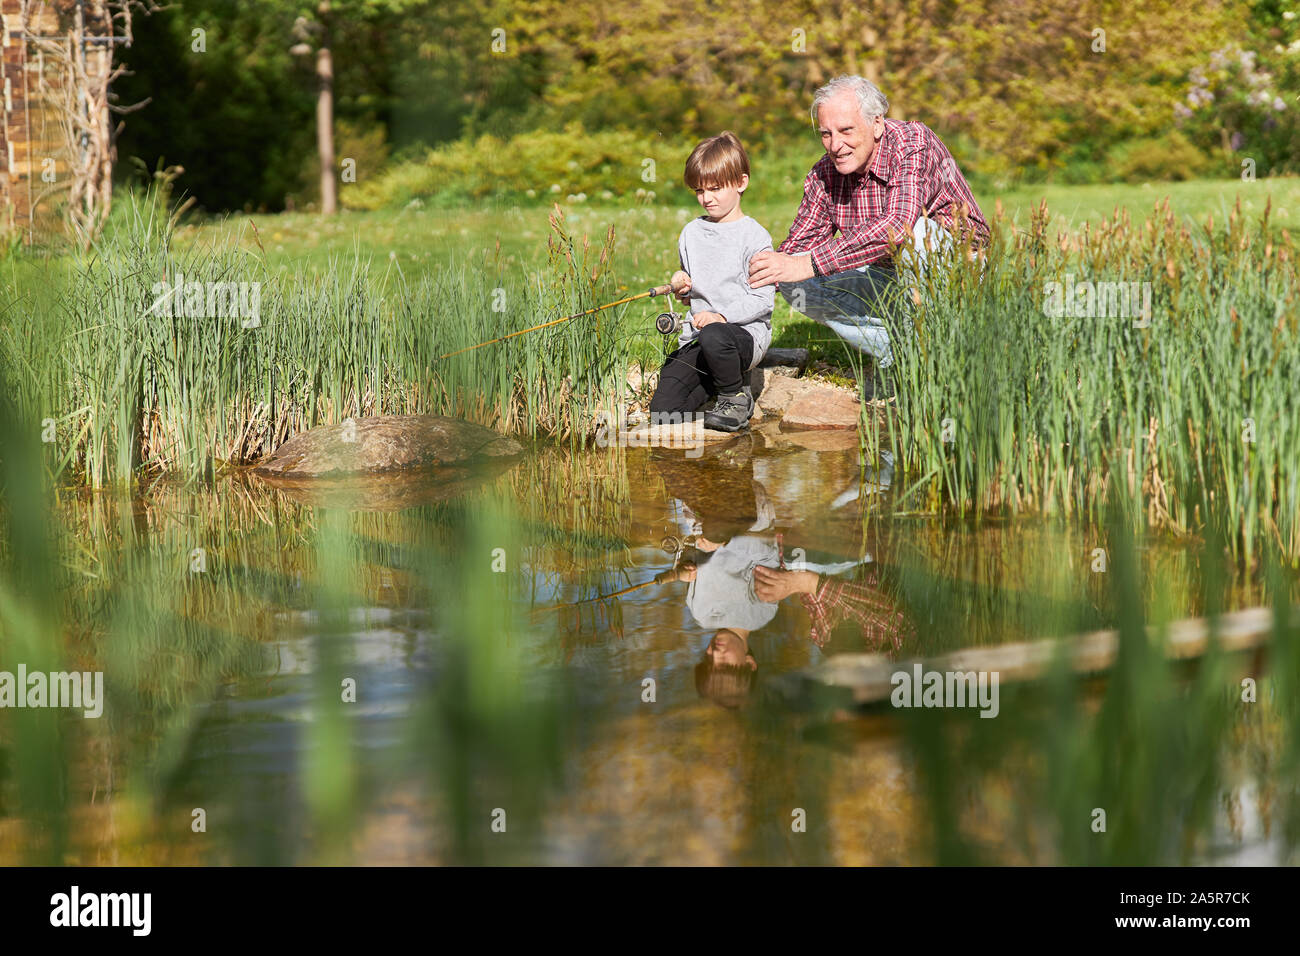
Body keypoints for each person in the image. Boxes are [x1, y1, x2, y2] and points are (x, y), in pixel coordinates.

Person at [747, 75, 990, 400]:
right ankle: (902, 358)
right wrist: (718, 285)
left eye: (846, 131)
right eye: (826, 134)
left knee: (913, 236)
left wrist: (812, 262)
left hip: (956, 269)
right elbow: (793, 252)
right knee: (793, 281)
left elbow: (897, 226)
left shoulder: (912, 142)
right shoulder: (824, 174)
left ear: (876, 124)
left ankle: (943, 361)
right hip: (884, 273)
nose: (836, 145)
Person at [648, 131, 775, 432]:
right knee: (663, 412)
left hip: (741, 336)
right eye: (699, 191)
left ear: (741, 183)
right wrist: (681, 284)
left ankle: (735, 397)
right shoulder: (690, 233)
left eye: (716, 189)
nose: (707, 198)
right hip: (698, 336)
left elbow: (762, 300)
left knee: (716, 336)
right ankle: (717, 383)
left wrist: (721, 316)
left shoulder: (754, 237)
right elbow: (692, 292)